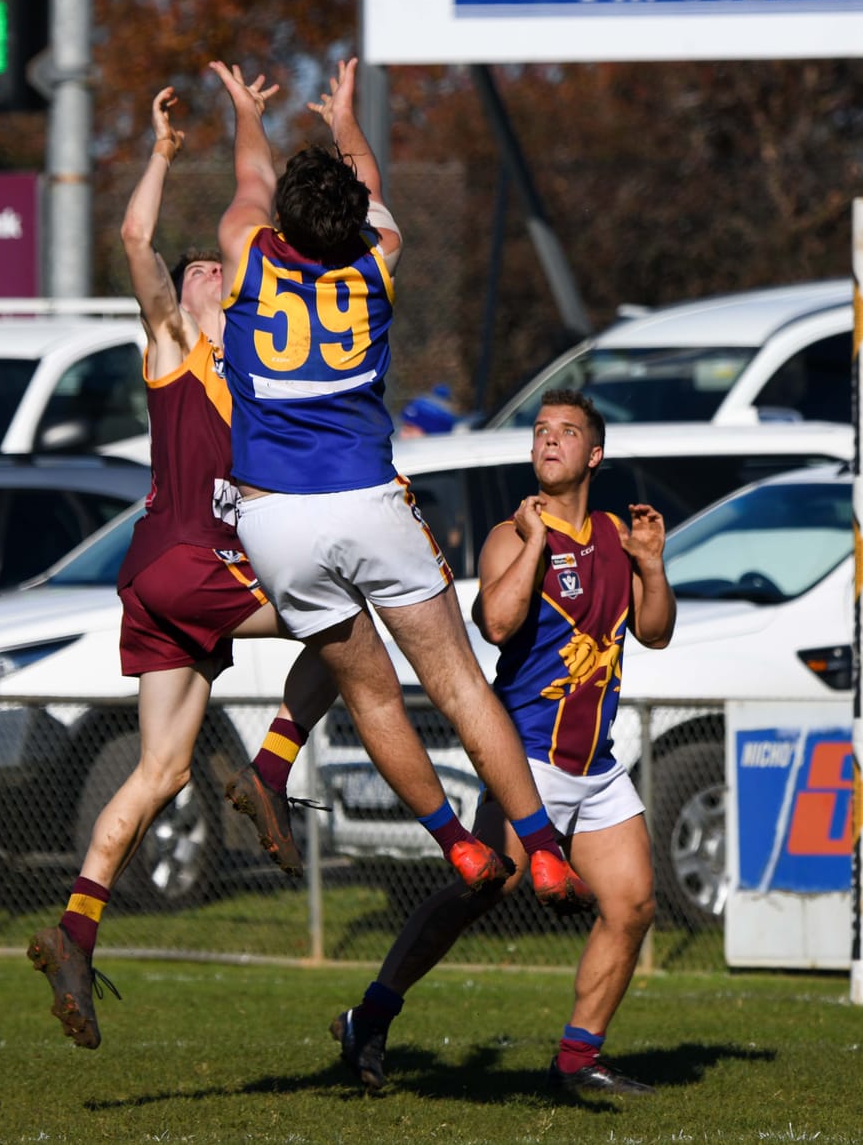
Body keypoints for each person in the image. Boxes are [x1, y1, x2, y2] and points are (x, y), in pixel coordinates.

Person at [27, 87, 498, 1052]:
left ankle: (76, 928)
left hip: (161, 584)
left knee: (161, 769)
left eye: (216, 264)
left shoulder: (254, 357)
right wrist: (162, 152)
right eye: (198, 268)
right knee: (348, 622)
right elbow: (135, 238)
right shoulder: (174, 345)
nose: (209, 265)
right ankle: (274, 764)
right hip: (191, 562)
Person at [209, 56, 596, 916]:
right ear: (353, 216)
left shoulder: (244, 250)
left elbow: (250, 175)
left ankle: (455, 842)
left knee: (370, 691)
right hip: (367, 500)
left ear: (280, 217)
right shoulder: (378, 256)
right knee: (459, 684)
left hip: (274, 517)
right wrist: (345, 115)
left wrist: (248, 110)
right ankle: (542, 851)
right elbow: (369, 182)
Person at [329, 391, 676, 1097]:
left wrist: (651, 564)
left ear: (595, 454)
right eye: (541, 430)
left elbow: (656, 632)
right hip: (528, 757)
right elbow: (496, 621)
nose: (549, 440)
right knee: (483, 888)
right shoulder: (509, 535)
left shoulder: (616, 533)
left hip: (595, 763)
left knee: (634, 904)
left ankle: (577, 1059)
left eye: (567, 432)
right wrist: (538, 542)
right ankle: (370, 1016)